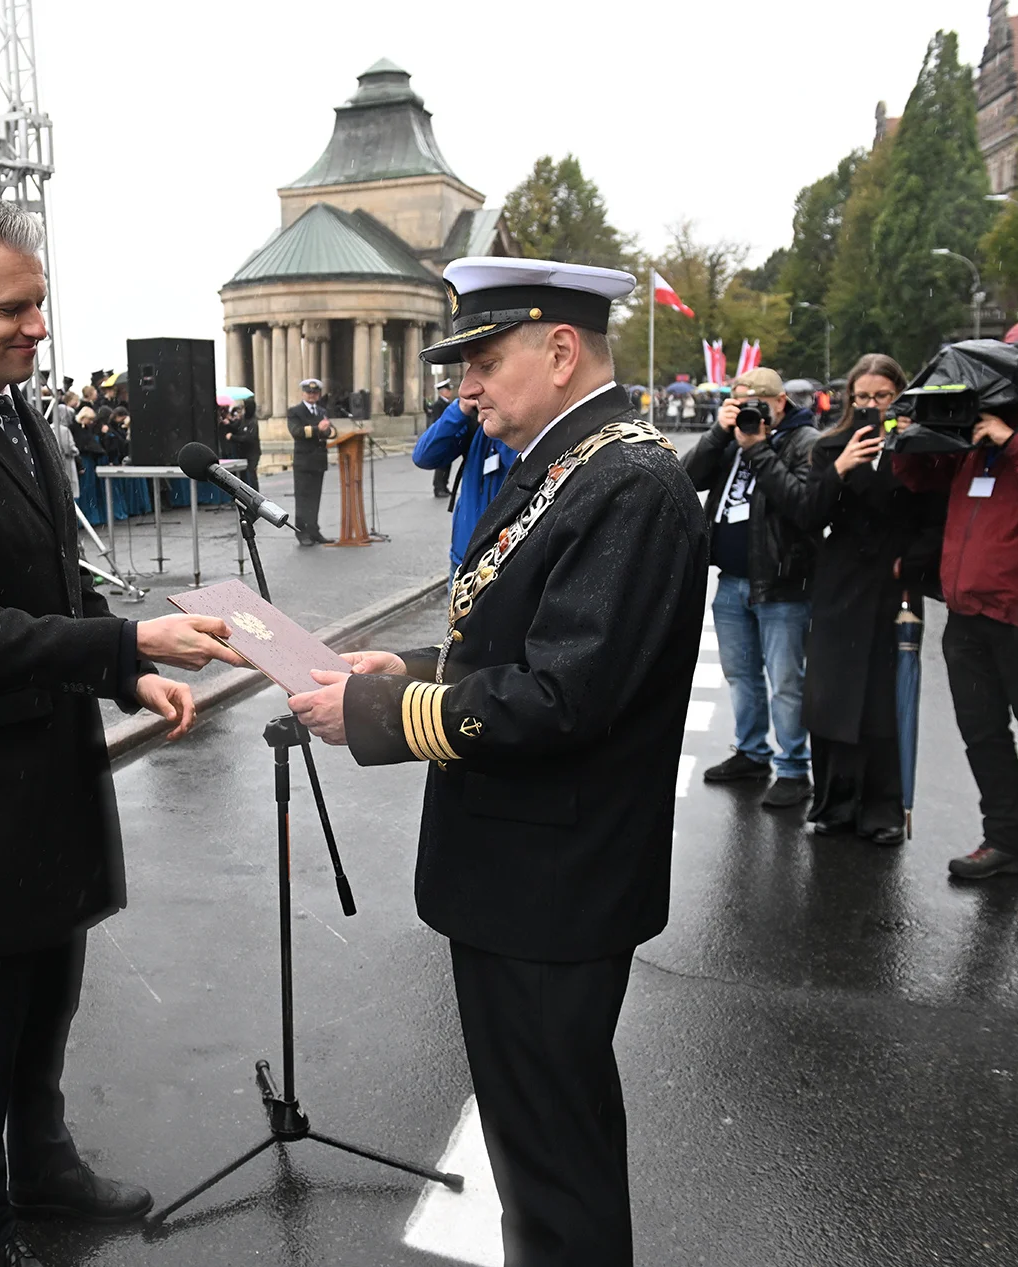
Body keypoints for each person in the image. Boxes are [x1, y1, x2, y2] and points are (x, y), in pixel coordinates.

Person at [0, 195, 245, 1267]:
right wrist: (128, 649)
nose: (36, 327)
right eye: (12, 307)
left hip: (51, 761)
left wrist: (128, 675)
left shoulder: (20, 414)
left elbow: (55, 585)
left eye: (40, 304)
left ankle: (46, 1164)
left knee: (53, 991)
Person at [291, 257, 707, 1267]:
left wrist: (383, 710)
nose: (463, 385)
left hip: (551, 886)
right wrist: (415, 662)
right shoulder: (573, 464)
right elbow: (524, 646)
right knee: (534, 1155)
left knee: (555, 1170)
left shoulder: (627, 482)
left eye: (482, 359)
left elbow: (564, 695)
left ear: (560, 350)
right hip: (521, 876)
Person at [893, 316, 1018, 895]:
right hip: (968, 608)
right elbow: (922, 478)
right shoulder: (980, 417)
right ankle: (1005, 841)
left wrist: (1013, 439)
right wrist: (913, 433)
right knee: (982, 733)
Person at [792, 353, 945, 846]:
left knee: (884, 701)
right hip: (839, 589)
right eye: (861, 397)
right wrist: (839, 468)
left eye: (882, 397)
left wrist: (913, 563)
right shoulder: (830, 446)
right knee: (831, 699)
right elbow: (808, 516)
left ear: (899, 397)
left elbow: (936, 519)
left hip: (893, 585)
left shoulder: (920, 451)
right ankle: (835, 803)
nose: (871, 406)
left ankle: (882, 808)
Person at [682, 365, 822, 810]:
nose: (749, 412)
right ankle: (751, 752)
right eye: (740, 403)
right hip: (731, 579)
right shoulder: (730, 437)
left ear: (780, 402)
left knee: (785, 681)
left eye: (757, 403)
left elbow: (803, 505)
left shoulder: (805, 442)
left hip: (783, 582)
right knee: (740, 676)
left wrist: (760, 449)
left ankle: (795, 769)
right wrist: (718, 435)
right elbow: (687, 479)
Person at [412, 387, 516, 582]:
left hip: (508, 561)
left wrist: (501, 422)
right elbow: (424, 456)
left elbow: (524, 470)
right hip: (464, 558)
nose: (467, 386)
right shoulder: (472, 421)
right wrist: (459, 411)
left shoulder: (527, 421)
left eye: (487, 367)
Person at [286, 376, 335, 545]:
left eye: (315, 392)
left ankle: (314, 530)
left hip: (318, 461)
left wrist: (327, 430)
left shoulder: (322, 411)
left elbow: (330, 431)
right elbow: (297, 432)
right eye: (308, 392)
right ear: (303, 394)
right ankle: (302, 533)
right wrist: (317, 429)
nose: (311, 395)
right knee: (302, 499)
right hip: (303, 461)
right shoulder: (295, 411)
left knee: (315, 498)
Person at [427, 376, 457, 496]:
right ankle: (438, 488)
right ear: (442, 392)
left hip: (449, 438)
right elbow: (437, 422)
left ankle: (444, 486)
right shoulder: (438, 405)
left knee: (447, 464)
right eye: (448, 390)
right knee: (441, 465)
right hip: (442, 438)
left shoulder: (447, 404)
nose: (450, 392)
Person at [220, 401, 260, 490]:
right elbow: (236, 427)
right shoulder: (243, 419)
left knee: (251, 474)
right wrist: (228, 423)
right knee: (243, 476)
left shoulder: (253, 422)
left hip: (252, 453)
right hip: (243, 452)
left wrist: (232, 437)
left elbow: (248, 438)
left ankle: (255, 494)